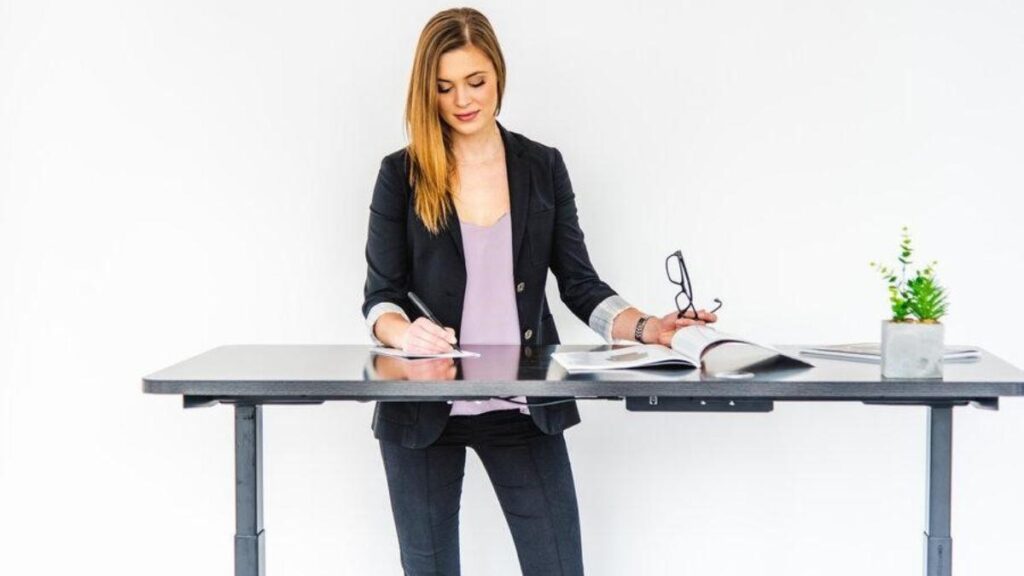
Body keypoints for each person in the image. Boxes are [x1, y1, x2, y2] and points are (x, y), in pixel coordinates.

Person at [362, 8, 717, 575]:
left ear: (498, 74)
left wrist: (651, 327)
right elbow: (379, 299)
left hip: (523, 405)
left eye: (475, 82)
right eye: (445, 87)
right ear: (425, 91)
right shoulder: (400, 174)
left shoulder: (541, 167)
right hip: (422, 411)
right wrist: (406, 331)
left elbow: (580, 285)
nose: (462, 100)